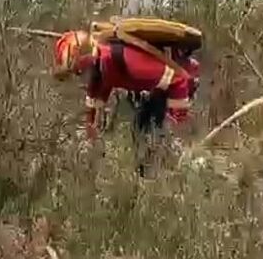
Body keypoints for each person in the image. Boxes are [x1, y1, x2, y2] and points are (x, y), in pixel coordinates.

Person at [52, 28, 200, 173]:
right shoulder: (102, 68)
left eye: (79, 70)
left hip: (174, 87)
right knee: (141, 139)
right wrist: (91, 139)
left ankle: (187, 163)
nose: (81, 75)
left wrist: (177, 124)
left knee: (163, 144)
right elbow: (94, 104)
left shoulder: (118, 59)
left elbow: (178, 78)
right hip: (154, 92)